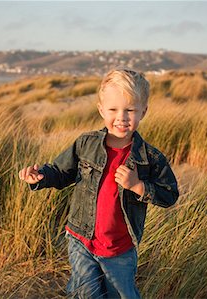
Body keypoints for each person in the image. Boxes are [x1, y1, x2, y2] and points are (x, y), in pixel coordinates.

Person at [19, 67, 179, 298]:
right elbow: (61, 172)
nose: (121, 117)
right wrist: (41, 176)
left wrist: (138, 186)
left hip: (120, 248)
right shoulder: (86, 144)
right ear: (101, 110)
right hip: (81, 239)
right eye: (113, 109)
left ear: (143, 111)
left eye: (130, 110)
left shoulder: (150, 158)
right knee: (86, 293)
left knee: (121, 294)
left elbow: (169, 194)